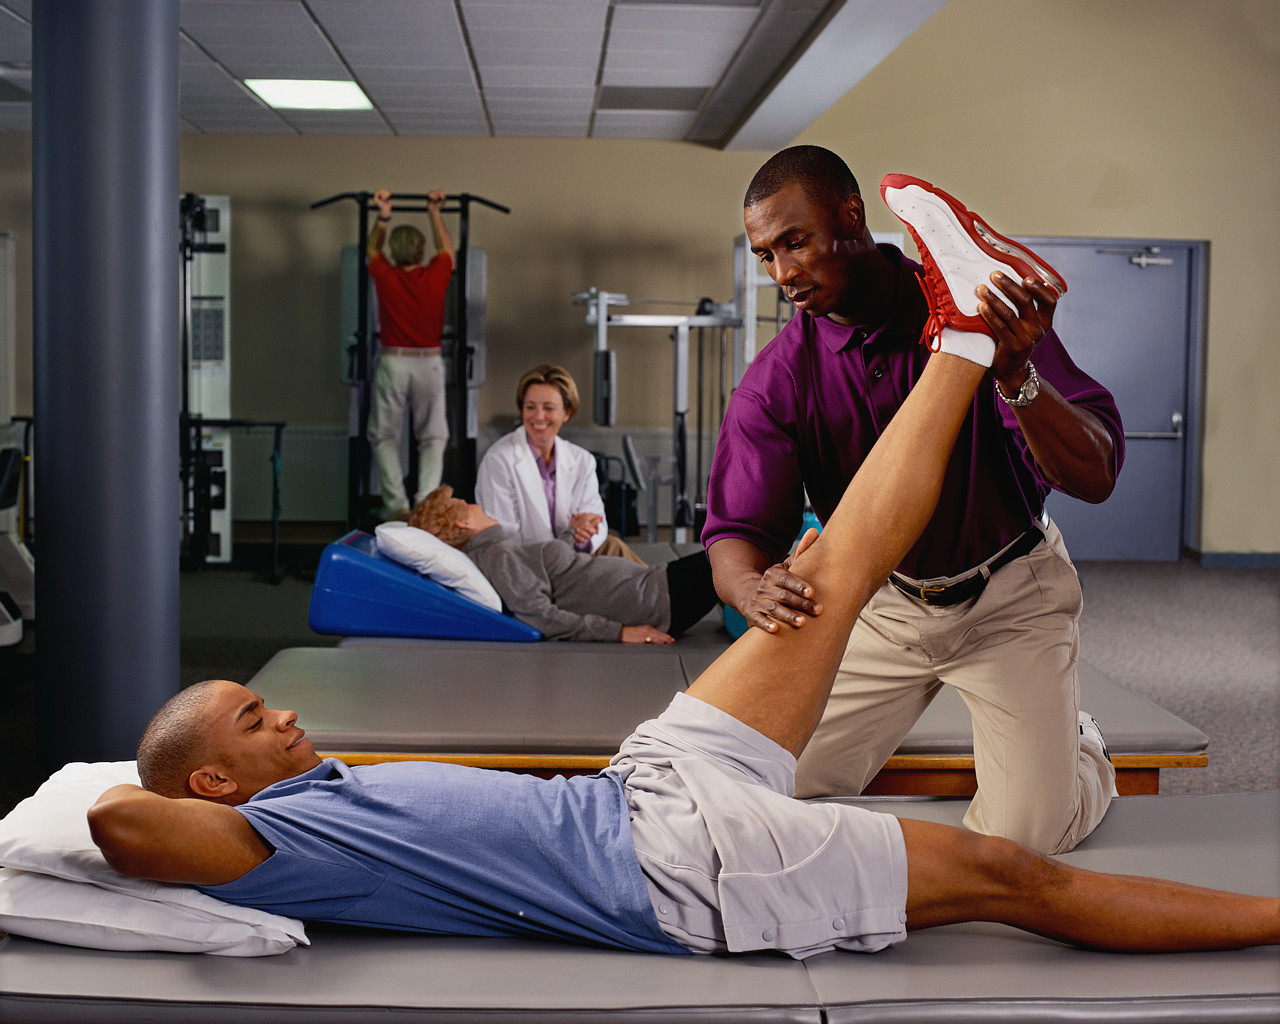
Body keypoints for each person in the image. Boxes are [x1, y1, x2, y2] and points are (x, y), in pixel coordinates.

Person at [87, 341, 1279, 959]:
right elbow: (120, 826)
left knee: (826, 576)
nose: (285, 717)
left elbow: (187, 787)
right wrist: (120, 785)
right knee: (1016, 880)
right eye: (255, 722)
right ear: (211, 784)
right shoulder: (271, 842)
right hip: (688, 872)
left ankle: (963, 333)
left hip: (644, 779)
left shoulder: (314, 790)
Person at [704, 147, 1125, 854]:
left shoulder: (984, 313)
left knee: (1025, 841)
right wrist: (749, 585)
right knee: (771, 787)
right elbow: (736, 530)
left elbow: (1096, 474)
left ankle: (1082, 753)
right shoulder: (780, 378)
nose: (783, 275)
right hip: (886, 606)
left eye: (795, 242)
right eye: (766, 256)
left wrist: (1014, 373)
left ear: (852, 218)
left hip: (1009, 597)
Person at [409, 484, 716, 643]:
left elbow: (550, 572)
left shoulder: (499, 550)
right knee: (736, 554)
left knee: (734, 555)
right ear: (463, 522)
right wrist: (619, 632)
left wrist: (571, 532)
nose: (475, 504)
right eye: (466, 505)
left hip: (650, 589)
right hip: (651, 600)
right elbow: (540, 615)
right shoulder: (497, 557)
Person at [476, 363, 645, 564]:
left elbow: (596, 522)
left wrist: (582, 535)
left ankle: (669, 588)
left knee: (615, 549)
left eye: (548, 408)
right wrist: (571, 533)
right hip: (530, 565)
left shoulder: (582, 460)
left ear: (567, 412)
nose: (538, 416)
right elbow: (505, 538)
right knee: (631, 574)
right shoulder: (499, 460)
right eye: (530, 407)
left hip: (574, 557)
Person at [366, 187, 454, 520]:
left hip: (393, 360)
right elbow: (447, 247)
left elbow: (372, 247)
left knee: (384, 436)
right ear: (420, 251)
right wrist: (435, 211)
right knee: (433, 436)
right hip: (428, 362)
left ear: (395, 251)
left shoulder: (385, 275)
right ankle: (425, 506)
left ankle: (396, 507)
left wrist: (383, 214)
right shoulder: (435, 273)